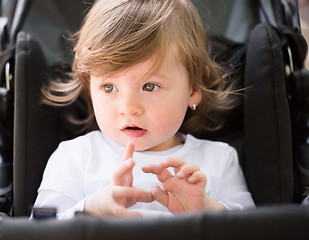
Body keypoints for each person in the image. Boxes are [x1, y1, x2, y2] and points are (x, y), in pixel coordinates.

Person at [33, 0, 255, 219]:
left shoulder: (219, 160)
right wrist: (91, 208)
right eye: (109, 87)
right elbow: (38, 230)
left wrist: (206, 208)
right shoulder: (75, 158)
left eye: (150, 87)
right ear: (89, 88)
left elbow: (256, 230)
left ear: (194, 88)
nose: (128, 108)